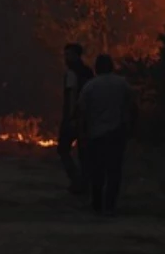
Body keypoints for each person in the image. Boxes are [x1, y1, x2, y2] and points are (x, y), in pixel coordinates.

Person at [77, 54, 138, 216]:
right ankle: (110, 204)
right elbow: (132, 106)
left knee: (97, 170)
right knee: (114, 171)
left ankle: (97, 204)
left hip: (96, 134)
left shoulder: (90, 86)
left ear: (97, 68)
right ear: (112, 66)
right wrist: (131, 127)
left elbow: (82, 112)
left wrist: (82, 134)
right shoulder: (122, 84)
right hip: (117, 133)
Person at [58, 43, 94, 194]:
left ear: (76, 55)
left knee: (63, 148)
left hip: (75, 117)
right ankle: (85, 183)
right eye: (65, 55)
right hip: (88, 117)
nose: (66, 58)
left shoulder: (71, 73)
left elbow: (72, 95)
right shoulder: (88, 72)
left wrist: (70, 116)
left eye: (69, 55)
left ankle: (77, 181)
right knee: (83, 152)